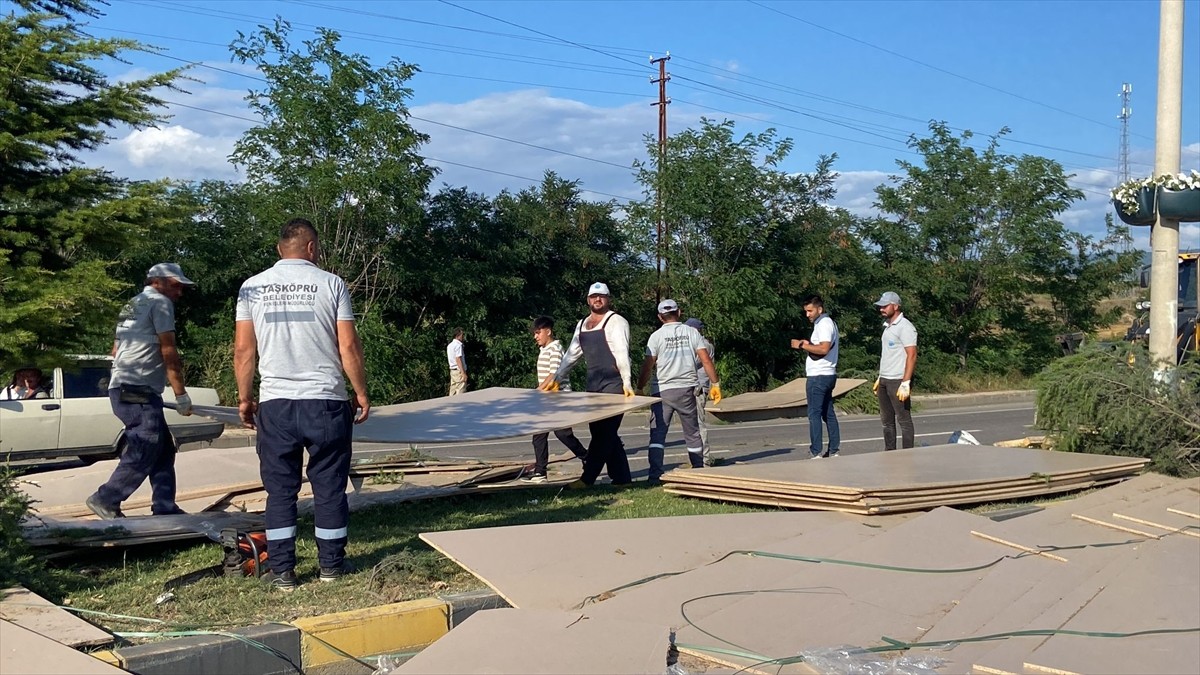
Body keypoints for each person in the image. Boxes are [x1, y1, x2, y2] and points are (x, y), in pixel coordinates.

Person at [234, 218, 370, 592]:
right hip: (325, 401)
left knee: (280, 491)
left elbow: (244, 350)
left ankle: (283, 571)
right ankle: (331, 567)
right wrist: (360, 391)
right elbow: (347, 346)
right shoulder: (332, 284)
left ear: (280, 249)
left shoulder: (251, 287)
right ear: (312, 248)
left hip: (276, 404)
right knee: (329, 487)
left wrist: (245, 398)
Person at [86, 263, 196, 521]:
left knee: (163, 448)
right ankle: (106, 498)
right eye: (176, 286)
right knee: (147, 443)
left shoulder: (131, 304)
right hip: (137, 389)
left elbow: (116, 350)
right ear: (158, 282)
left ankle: (164, 505)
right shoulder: (160, 303)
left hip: (124, 386)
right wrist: (181, 394)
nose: (180, 292)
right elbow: (168, 350)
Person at [539, 282, 634, 489]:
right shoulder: (582, 324)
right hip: (593, 383)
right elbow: (571, 355)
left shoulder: (617, 322)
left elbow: (621, 353)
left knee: (605, 432)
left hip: (614, 383)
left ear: (608, 299)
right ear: (588, 300)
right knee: (601, 431)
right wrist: (557, 378)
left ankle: (587, 479)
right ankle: (622, 478)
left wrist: (626, 381)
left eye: (601, 296)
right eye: (593, 296)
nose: (597, 299)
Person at [637, 300, 722, 483]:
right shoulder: (691, 332)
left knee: (658, 435)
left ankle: (655, 475)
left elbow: (648, 365)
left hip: (662, 391)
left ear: (660, 317)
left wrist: (640, 386)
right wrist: (715, 384)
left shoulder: (656, 337)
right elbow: (706, 360)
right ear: (679, 312)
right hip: (686, 389)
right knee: (692, 433)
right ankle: (698, 470)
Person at [524, 316, 588, 483]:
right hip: (546, 399)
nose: (535, 337)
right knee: (538, 435)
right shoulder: (544, 349)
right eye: (535, 333)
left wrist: (538, 391)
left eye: (538, 333)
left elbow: (554, 375)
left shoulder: (555, 349)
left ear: (548, 331)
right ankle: (540, 472)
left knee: (563, 434)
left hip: (559, 399)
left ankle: (587, 457)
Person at [790, 294, 840, 458]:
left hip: (819, 376)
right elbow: (821, 347)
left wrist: (802, 345)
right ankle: (834, 450)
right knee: (828, 413)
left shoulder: (824, 324)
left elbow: (824, 349)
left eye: (810, 311)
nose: (807, 314)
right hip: (827, 374)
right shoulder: (827, 323)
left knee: (814, 414)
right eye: (806, 311)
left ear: (820, 309)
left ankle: (816, 451)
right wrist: (809, 344)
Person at [873, 291, 918, 451]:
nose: (881, 309)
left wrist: (906, 382)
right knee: (887, 421)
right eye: (880, 306)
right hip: (885, 379)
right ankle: (890, 452)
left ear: (896, 306)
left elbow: (912, 355)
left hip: (898, 380)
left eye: (885, 306)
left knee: (903, 420)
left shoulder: (905, 327)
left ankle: (907, 453)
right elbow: (887, 354)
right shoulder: (887, 327)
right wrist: (880, 376)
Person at [684, 318, 716, 466]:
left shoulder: (704, 345)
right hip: (694, 387)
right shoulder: (698, 343)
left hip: (699, 388)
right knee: (693, 425)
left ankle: (704, 459)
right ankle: (698, 457)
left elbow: (690, 362)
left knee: (698, 423)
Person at [447, 328, 468, 396]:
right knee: (460, 390)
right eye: (462, 335)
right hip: (458, 371)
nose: (463, 336)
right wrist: (463, 373)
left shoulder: (450, 345)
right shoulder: (458, 345)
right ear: (457, 336)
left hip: (452, 371)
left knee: (453, 390)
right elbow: (458, 359)